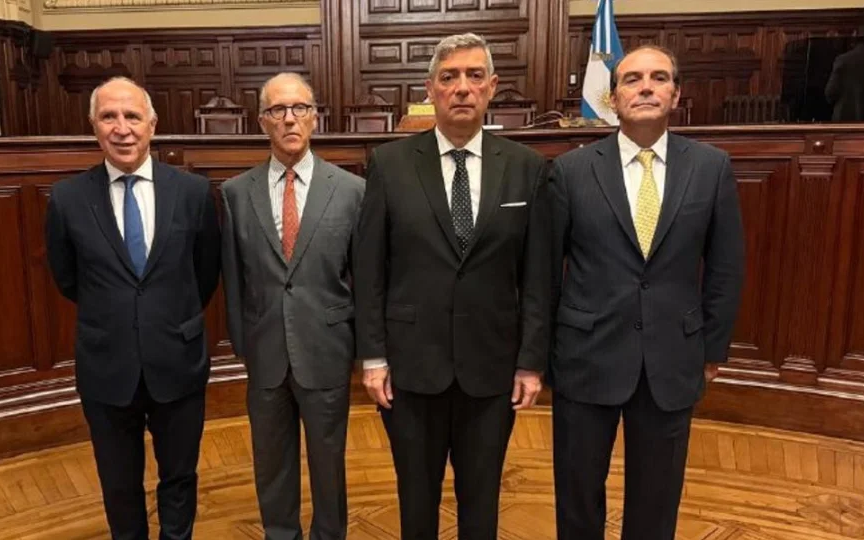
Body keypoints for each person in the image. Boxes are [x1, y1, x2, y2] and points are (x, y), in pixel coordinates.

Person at [353, 33, 551, 539]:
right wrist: (372, 357)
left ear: (492, 87)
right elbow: (370, 269)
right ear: (430, 90)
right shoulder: (390, 164)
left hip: (492, 368)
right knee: (416, 501)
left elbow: (538, 275)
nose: (462, 87)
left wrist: (531, 361)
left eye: (474, 75)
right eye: (449, 77)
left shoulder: (526, 168)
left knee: (481, 502)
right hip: (410, 367)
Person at [548, 45, 745, 540]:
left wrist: (712, 349)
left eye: (659, 78)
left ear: (676, 94)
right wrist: (543, 352)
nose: (646, 87)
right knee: (577, 495)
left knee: (657, 501)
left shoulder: (711, 167)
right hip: (585, 356)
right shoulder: (571, 171)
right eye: (632, 79)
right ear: (613, 97)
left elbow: (725, 267)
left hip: (672, 358)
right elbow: (544, 272)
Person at [44, 76, 221, 540]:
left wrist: (164, 317)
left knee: (179, 477)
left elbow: (204, 273)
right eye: (109, 117)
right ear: (93, 126)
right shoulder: (67, 199)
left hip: (178, 359)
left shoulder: (193, 193)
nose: (121, 128)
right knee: (119, 485)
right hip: (107, 364)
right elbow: (67, 278)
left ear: (152, 125)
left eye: (132, 116)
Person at [220, 72, 364, 540]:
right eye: (277, 110)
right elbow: (233, 277)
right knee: (271, 464)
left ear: (314, 117)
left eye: (299, 108)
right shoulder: (235, 193)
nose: (289, 119)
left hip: (326, 349)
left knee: (328, 463)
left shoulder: (351, 190)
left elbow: (363, 277)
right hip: (264, 353)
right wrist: (243, 343)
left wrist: (360, 349)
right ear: (262, 120)